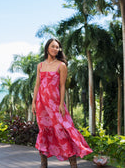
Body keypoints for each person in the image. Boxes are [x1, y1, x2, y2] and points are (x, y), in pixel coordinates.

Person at [32, 38, 93, 168]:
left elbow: (62, 86)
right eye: (53, 46)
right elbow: (37, 84)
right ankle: (43, 164)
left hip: (55, 104)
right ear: (47, 47)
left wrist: (61, 104)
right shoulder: (40, 65)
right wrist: (33, 102)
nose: (55, 49)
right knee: (44, 130)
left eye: (57, 47)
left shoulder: (61, 65)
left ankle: (73, 165)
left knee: (63, 129)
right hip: (41, 104)